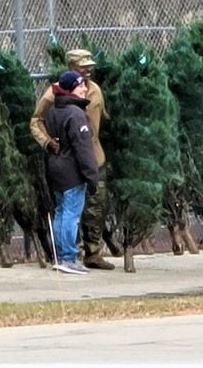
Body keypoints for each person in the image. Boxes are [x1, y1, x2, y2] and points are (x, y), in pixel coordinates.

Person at [31, 49, 116, 270]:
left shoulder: (95, 90)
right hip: (74, 160)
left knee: (94, 209)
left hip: (92, 156)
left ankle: (92, 253)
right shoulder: (56, 96)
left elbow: (103, 119)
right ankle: (70, 255)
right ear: (71, 67)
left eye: (90, 65)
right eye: (83, 66)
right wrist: (49, 142)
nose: (88, 69)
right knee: (70, 211)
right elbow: (36, 121)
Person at [43, 70, 99, 275]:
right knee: (71, 214)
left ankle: (59, 256)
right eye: (80, 85)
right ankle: (68, 257)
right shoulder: (76, 114)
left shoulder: (54, 110)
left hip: (55, 169)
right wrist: (92, 176)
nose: (84, 88)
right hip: (71, 172)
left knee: (60, 211)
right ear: (71, 89)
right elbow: (83, 149)